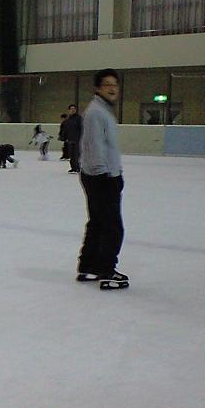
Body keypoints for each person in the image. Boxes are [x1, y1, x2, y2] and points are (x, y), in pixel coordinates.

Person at [77, 69, 128, 289]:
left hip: (102, 174)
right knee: (112, 227)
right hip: (102, 176)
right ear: (98, 88)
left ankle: (88, 266)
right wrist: (106, 176)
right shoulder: (97, 112)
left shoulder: (102, 111)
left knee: (98, 223)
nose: (112, 88)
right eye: (107, 84)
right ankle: (106, 270)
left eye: (115, 84)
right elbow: (95, 146)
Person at [62, 104, 82, 173]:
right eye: (71, 109)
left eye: (74, 109)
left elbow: (82, 128)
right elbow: (66, 129)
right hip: (70, 139)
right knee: (71, 155)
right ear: (69, 110)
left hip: (77, 139)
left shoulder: (79, 118)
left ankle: (77, 168)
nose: (72, 110)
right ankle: (73, 167)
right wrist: (64, 137)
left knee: (77, 155)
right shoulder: (68, 119)